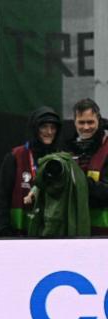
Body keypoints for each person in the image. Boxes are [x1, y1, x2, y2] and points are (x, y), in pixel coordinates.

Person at [0, 107, 62, 236]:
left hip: (52, 235)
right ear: (34, 129)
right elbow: (0, 198)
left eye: (53, 127)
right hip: (19, 236)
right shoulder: (16, 156)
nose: (49, 132)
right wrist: (2, 231)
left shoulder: (61, 159)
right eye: (43, 127)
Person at [62, 98, 108, 234]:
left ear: (98, 120)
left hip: (103, 234)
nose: (86, 127)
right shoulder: (66, 148)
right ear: (74, 122)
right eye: (81, 122)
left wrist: (81, 182)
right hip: (74, 231)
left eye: (90, 122)